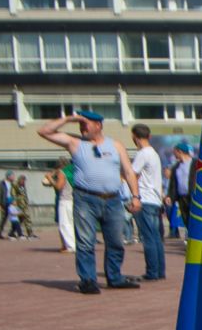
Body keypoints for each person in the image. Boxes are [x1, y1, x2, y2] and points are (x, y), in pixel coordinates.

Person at [37, 110, 141, 293]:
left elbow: (129, 172)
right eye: (80, 124)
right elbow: (44, 131)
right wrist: (69, 118)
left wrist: (135, 196)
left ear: (98, 125)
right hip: (85, 198)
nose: (82, 128)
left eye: (86, 124)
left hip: (113, 199)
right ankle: (88, 280)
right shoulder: (74, 142)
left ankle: (115, 277)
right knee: (85, 241)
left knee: (115, 241)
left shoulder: (115, 145)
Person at [128, 123, 165, 281]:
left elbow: (132, 174)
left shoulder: (143, 154)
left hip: (146, 198)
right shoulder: (155, 154)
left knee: (148, 237)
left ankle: (152, 271)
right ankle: (159, 270)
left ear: (134, 137)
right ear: (148, 136)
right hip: (155, 199)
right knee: (156, 237)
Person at [41, 163, 74, 253]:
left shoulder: (63, 173)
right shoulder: (73, 172)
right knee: (70, 223)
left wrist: (49, 177)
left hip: (65, 200)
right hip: (74, 200)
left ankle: (70, 246)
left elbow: (58, 187)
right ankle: (68, 245)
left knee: (65, 223)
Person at [166, 144, 192, 239]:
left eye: (175, 152)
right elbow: (173, 184)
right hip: (182, 197)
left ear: (180, 151)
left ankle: (193, 239)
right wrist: (170, 196)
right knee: (186, 218)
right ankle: (189, 238)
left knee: (195, 219)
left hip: (193, 196)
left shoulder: (195, 163)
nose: (174, 155)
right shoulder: (176, 167)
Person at [0, 170, 15, 238]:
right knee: (3, 218)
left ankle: (12, 232)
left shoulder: (13, 184)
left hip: (12, 202)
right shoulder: (1, 183)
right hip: (4, 202)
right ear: (8, 176)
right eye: (12, 176)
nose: (14, 177)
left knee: (15, 218)